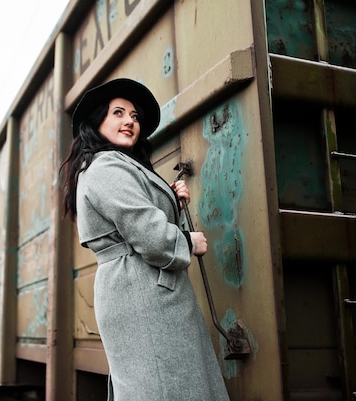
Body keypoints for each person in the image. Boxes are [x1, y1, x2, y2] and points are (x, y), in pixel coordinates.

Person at [61, 78, 230, 400]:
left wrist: (170, 200)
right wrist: (188, 242)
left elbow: (135, 220)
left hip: (139, 288)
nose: (129, 121)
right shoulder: (106, 165)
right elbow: (148, 235)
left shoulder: (113, 166)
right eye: (118, 113)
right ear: (97, 122)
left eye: (135, 117)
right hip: (141, 291)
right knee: (164, 385)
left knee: (165, 383)